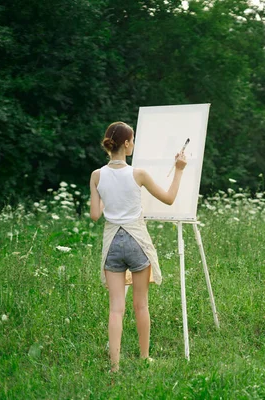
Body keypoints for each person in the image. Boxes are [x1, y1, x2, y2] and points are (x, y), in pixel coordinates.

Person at [89, 121, 187, 373]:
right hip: (136, 241)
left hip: (112, 243)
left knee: (116, 308)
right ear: (126, 143)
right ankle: (144, 357)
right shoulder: (138, 174)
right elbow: (169, 198)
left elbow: (95, 215)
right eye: (132, 140)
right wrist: (178, 169)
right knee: (140, 304)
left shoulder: (97, 175)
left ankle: (114, 366)